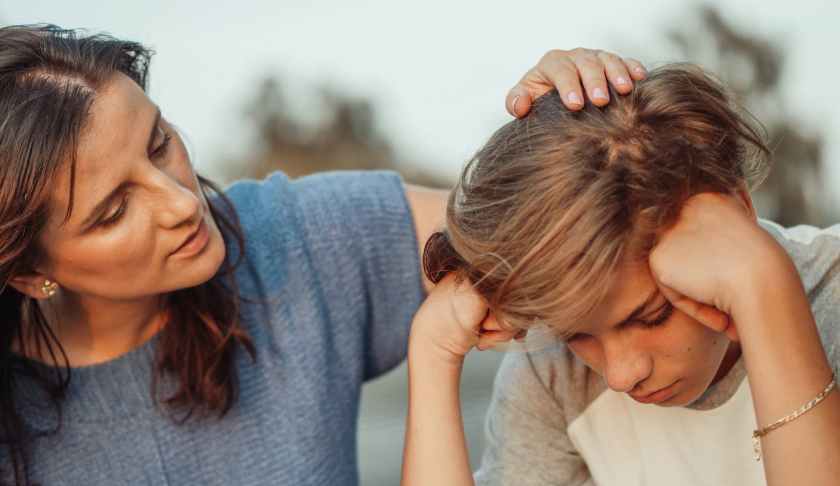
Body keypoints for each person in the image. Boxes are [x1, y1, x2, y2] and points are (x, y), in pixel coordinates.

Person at [0, 23, 647, 486]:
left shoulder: (298, 239)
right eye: (114, 211)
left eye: (159, 142)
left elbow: (555, 227)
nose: (180, 203)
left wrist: (581, 130)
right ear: (30, 273)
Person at [401, 63, 840, 486]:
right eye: (577, 335)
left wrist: (764, 287)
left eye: (650, 317)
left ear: (739, 211)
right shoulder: (552, 374)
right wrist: (433, 352)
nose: (621, 375)